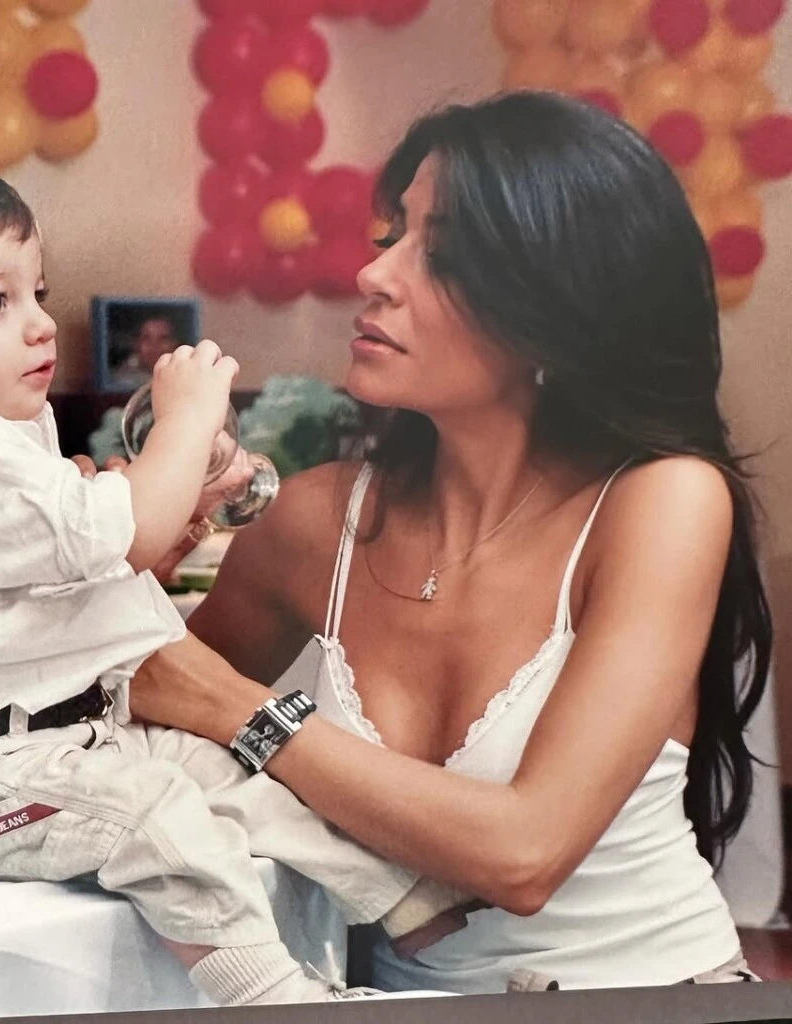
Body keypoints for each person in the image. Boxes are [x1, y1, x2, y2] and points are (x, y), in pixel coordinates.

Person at [0, 157, 465, 1007]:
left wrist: (181, 491)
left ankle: (421, 917)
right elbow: (125, 531)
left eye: (36, 292)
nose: (40, 325)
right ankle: (273, 999)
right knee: (157, 825)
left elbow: (96, 554)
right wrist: (186, 421)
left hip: (70, 741)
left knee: (234, 775)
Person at [128, 91, 773, 994]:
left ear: (562, 306)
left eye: (442, 254)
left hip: (650, 1002)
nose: (374, 273)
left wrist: (243, 710)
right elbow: (137, 721)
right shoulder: (312, 523)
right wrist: (115, 569)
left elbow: (526, 854)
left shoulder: (660, 501)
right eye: (391, 235)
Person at [110, 312, 181, 390]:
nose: (154, 345)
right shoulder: (120, 380)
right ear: (136, 343)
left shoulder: (184, 376)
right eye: (146, 338)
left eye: (163, 338)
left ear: (174, 343)